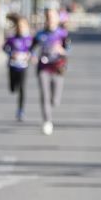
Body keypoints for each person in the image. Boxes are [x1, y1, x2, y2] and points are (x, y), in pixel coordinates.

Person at [31, 8, 70, 136]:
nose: (50, 20)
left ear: (57, 19)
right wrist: (32, 56)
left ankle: (53, 104)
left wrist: (62, 51)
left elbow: (69, 50)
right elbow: (32, 48)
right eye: (48, 17)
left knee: (55, 100)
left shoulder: (63, 34)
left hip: (58, 68)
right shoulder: (40, 34)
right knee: (44, 95)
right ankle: (47, 121)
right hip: (43, 68)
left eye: (53, 17)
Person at [3, 15, 33, 121]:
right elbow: (5, 48)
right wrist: (11, 53)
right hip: (13, 66)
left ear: (26, 27)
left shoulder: (29, 39)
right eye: (19, 26)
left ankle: (20, 110)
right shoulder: (11, 39)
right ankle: (12, 86)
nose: (21, 28)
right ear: (16, 27)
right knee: (12, 88)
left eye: (23, 26)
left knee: (22, 89)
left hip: (23, 67)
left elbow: (32, 50)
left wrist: (30, 56)